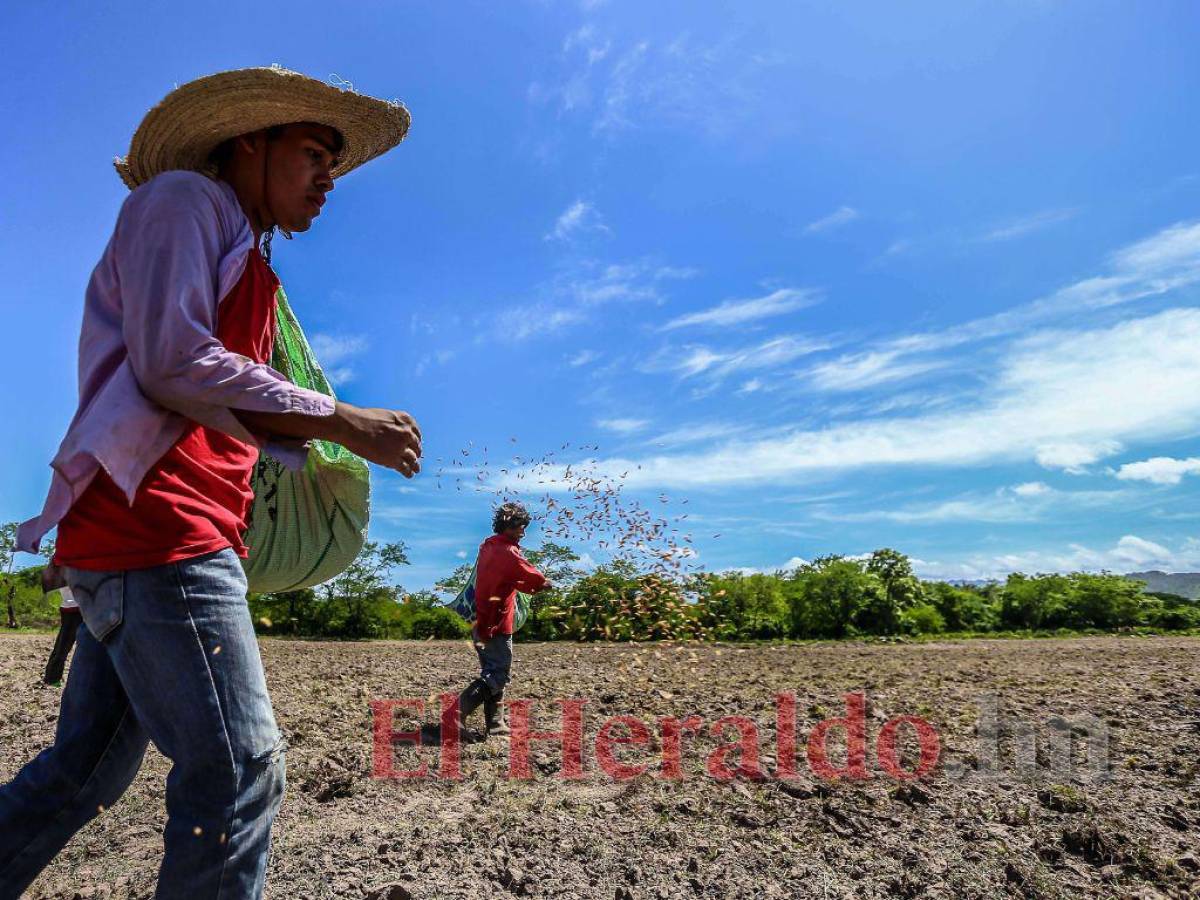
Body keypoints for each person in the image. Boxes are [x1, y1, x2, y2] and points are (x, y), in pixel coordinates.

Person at [0, 67, 422, 900]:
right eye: (312, 153)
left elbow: (222, 400)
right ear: (248, 142)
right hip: (159, 530)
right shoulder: (183, 202)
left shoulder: (246, 251)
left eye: (334, 163)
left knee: (79, 777)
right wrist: (340, 420)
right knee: (239, 769)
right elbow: (172, 360)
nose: (329, 178)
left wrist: (314, 444)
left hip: (158, 534)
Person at [456, 502, 553, 740]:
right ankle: (454, 716)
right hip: (496, 623)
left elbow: (509, 577)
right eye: (521, 526)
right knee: (498, 674)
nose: (524, 531)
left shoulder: (488, 546)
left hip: (481, 621)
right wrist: (545, 583)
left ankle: (496, 724)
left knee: (493, 672)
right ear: (509, 525)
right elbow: (532, 577)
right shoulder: (508, 552)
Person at [41, 562, 81, 687]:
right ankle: (52, 678)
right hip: (72, 609)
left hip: (81, 607)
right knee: (63, 646)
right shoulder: (64, 562)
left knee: (66, 646)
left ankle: (53, 678)